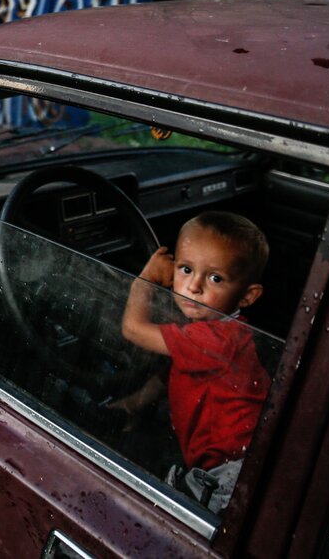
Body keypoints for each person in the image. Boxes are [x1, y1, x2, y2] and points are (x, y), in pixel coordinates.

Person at [116, 211, 270, 513]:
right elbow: (172, 374)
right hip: (233, 457)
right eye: (185, 269)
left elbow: (132, 329)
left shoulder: (216, 339)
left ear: (247, 296)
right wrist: (136, 402)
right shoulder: (221, 331)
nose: (194, 286)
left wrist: (144, 281)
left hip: (228, 472)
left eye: (215, 278)